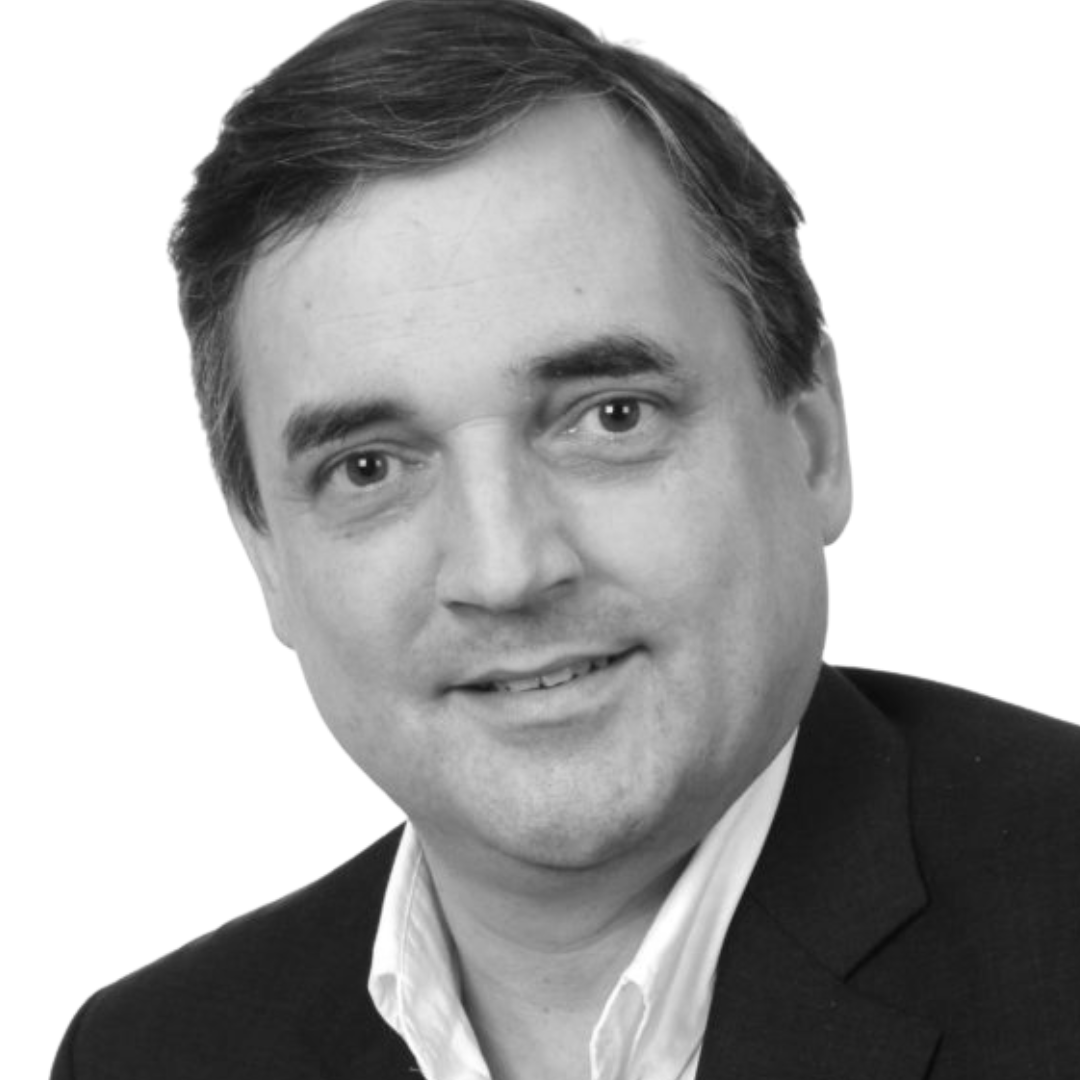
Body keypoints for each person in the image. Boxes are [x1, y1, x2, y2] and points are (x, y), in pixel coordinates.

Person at [52, 1, 1078, 1077]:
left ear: (815, 437)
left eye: (610, 417)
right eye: (368, 468)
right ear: (264, 557)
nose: (505, 571)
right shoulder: (149, 1056)